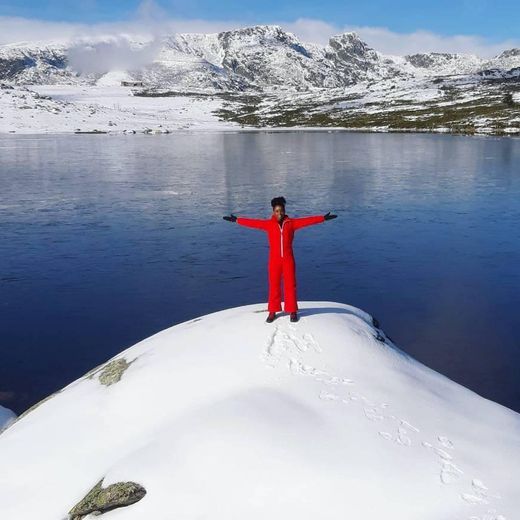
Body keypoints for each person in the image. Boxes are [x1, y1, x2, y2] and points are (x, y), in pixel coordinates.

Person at [223, 197, 337, 323]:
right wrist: (237, 220)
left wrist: (323, 218)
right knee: (274, 285)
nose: (279, 213)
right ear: (273, 212)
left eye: (281, 211)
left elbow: (307, 221)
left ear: (284, 210)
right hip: (274, 261)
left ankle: (292, 311)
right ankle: (272, 311)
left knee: (290, 285)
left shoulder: (291, 223)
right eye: (277, 211)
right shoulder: (268, 224)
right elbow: (253, 223)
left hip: (288, 260)